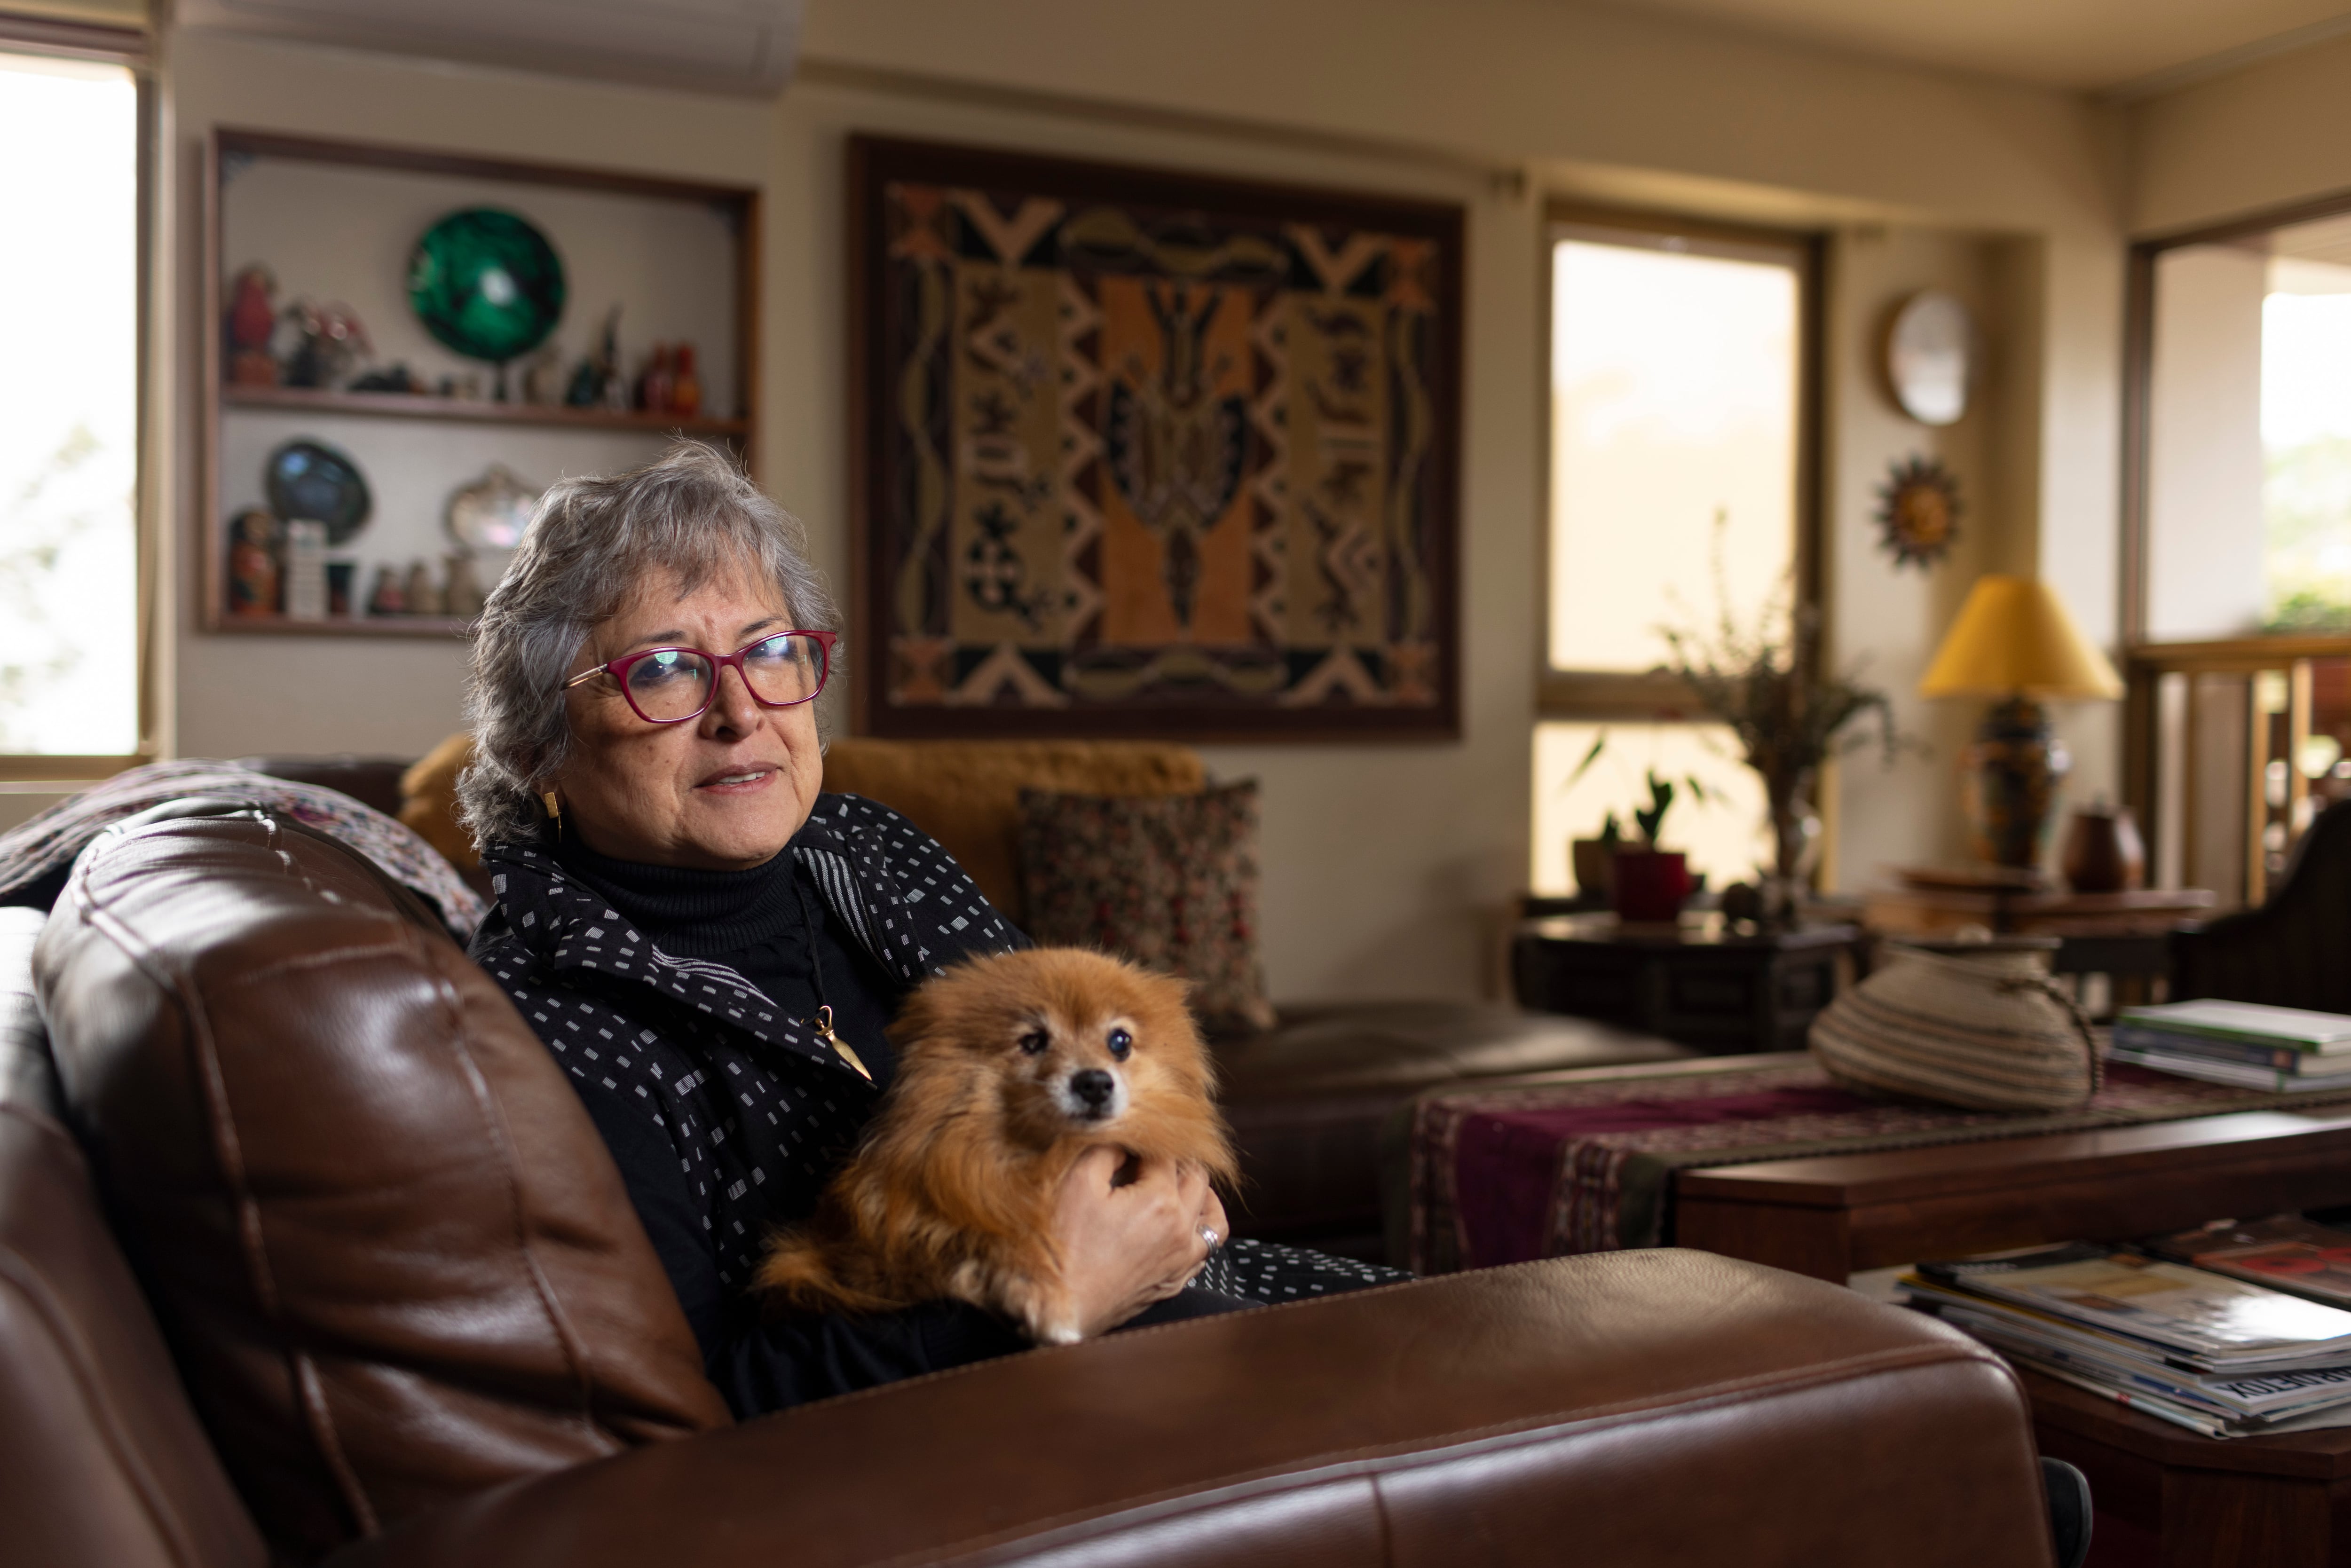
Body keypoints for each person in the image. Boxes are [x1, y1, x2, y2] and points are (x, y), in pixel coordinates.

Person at [458, 441, 1399, 1415]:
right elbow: (696, 1410)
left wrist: (1171, 1183)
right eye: (663, 671)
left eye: (770, 651)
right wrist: (1040, 1306)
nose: (742, 712)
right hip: (960, 1431)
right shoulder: (540, 1028)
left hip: (1165, 1312)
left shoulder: (862, 844)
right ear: (537, 749)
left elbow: (1093, 1060)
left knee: (1464, 1349)